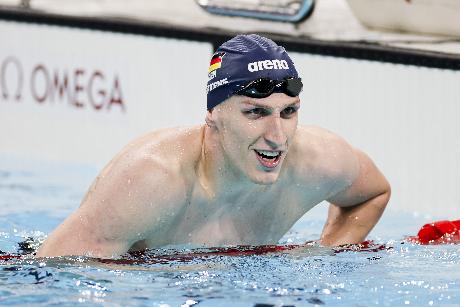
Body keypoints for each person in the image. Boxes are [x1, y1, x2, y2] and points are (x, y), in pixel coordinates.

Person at [36, 34, 391, 258]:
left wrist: (326, 254)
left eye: (288, 112)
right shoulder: (153, 179)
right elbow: (58, 271)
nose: (278, 136)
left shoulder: (318, 159)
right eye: (255, 112)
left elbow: (373, 192)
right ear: (213, 114)